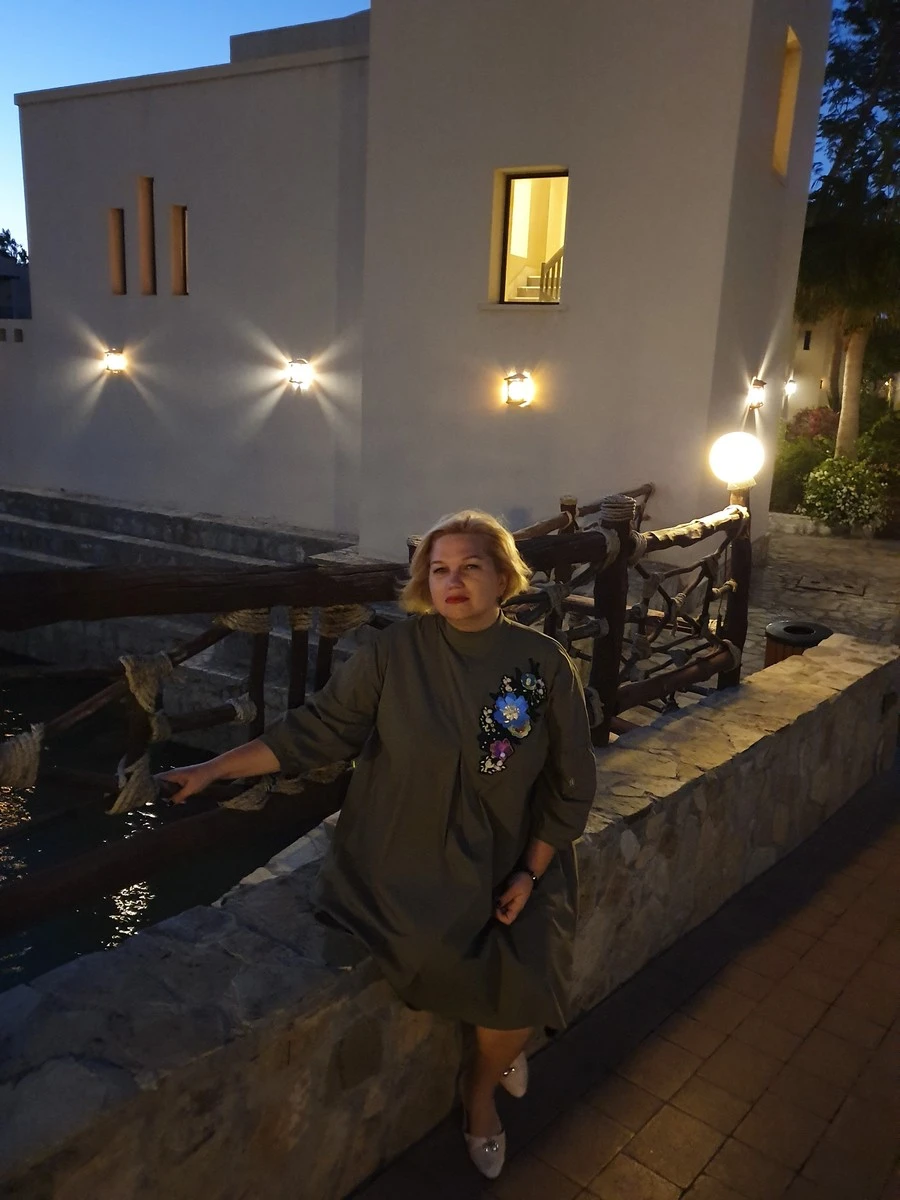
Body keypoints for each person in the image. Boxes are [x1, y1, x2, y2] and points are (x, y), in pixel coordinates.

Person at [159, 510, 597, 1180]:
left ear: (503, 577)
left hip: (513, 859)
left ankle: (479, 1087)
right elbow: (318, 729)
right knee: (449, 957)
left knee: (527, 981)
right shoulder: (397, 654)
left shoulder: (541, 664)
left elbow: (571, 777)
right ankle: (490, 1070)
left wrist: (531, 872)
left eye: (470, 567)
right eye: (439, 570)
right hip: (407, 856)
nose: (452, 581)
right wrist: (215, 768)